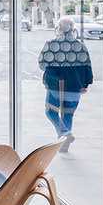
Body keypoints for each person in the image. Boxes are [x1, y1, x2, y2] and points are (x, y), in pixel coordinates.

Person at [37, 17, 93, 152]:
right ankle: (64, 143)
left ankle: (65, 134)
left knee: (50, 111)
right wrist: (86, 83)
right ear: (73, 29)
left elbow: (42, 65)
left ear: (58, 29)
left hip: (55, 87)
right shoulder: (80, 46)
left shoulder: (50, 44)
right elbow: (87, 67)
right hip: (75, 88)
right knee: (68, 114)